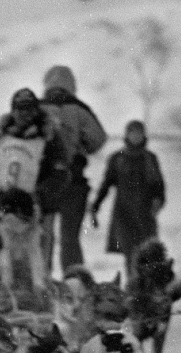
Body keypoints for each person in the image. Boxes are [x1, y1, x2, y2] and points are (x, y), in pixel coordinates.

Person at [0, 88, 69, 275]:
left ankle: (37, 296)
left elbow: (60, 175)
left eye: (28, 109)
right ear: (12, 111)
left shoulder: (50, 139)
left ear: (36, 111)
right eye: (19, 109)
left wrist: (41, 194)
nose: (23, 114)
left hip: (36, 206)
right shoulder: (0, 139)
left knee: (35, 262)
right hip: (5, 202)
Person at [40, 65, 107, 272]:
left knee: (44, 237)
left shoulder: (37, 108)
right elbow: (98, 139)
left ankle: (43, 283)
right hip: (74, 182)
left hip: (44, 182)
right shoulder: (80, 109)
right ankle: (74, 283)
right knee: (70, 239)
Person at [89, 120, 166, 285]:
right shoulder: (117, 159)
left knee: (149, 255)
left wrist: (158, 202)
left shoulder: (150, 159)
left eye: (139, 133)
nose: (135, 136)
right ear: (127, 135)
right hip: (124, 214)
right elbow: (106, 184)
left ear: (143, 135)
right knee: (130, 255)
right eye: (132, 133)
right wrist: (96, 205)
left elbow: (159, 187)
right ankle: (133, 288)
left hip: (145, 215)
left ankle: (149, 288)